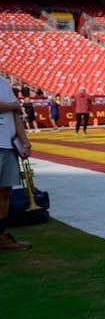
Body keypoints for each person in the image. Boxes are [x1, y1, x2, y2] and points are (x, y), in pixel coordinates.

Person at [0, 74, 34, 250]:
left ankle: (1, 235)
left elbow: (16, 116)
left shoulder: (3, 83)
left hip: (7, 144)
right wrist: (13, 105)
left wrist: (24, 143)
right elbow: (15, 107)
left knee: (5, 192)